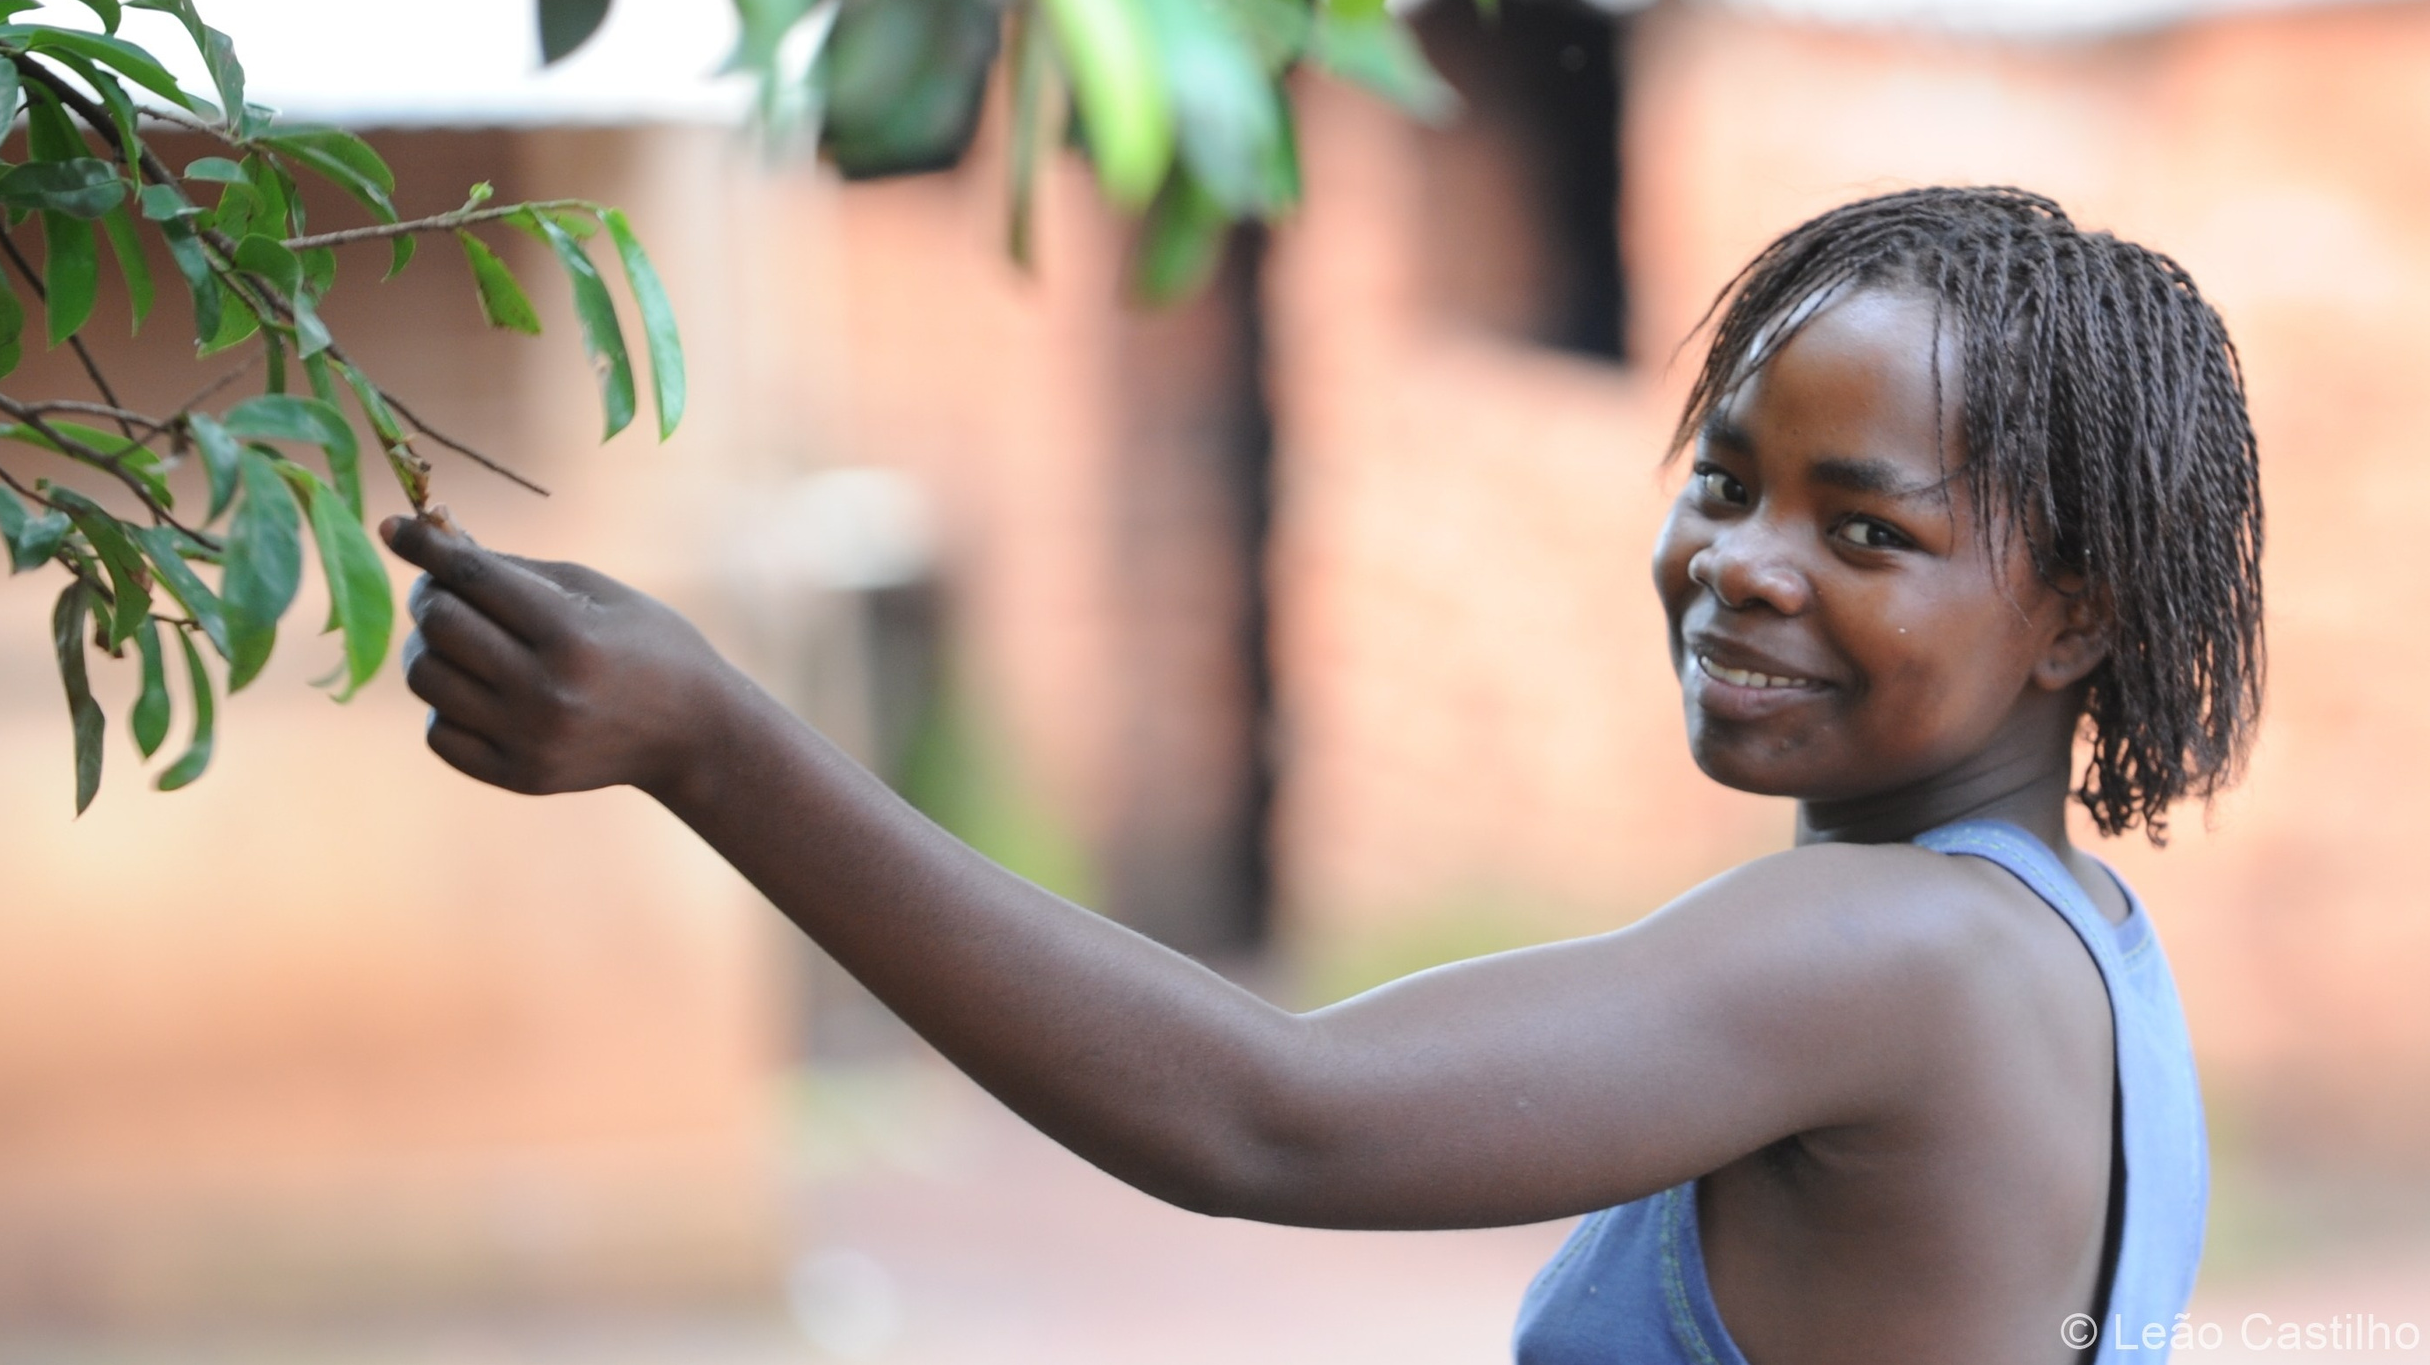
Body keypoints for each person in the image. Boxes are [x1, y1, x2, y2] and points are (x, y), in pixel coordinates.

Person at [381, 185, 2261, 1365]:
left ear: (2077, 617)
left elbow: (1268, 1115)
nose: (1744, 564)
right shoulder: (2086, 952)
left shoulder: (1892, 953)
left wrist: (715, 744)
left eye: (1866, 530)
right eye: (1725, 479)